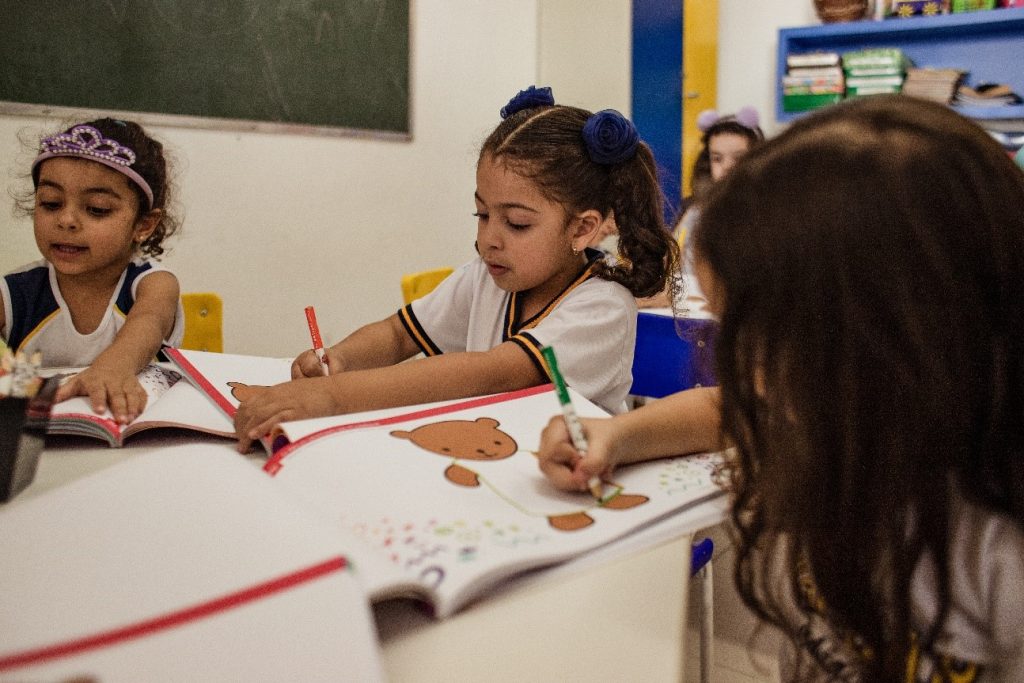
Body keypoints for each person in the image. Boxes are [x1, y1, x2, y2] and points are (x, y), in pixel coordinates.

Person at [538, 95, 1024, 681]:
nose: (743, 378)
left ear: (897, 343)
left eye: (758, 342)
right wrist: (617, 434)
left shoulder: (997, 547)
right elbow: (732, 410)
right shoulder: (839, 415)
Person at [233, 86, 679, 451]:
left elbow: (491, 372)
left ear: (583, 229)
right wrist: (341, 361)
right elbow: (398, 333)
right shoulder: (487, 277)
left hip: (569, 489)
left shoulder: (603, 306)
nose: (490, 238)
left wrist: (332, 397)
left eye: (517, 223)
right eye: (482, 215)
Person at [2, 118, 183, 423]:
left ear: (143, 225)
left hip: (134, 437)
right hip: (41, 446)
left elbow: (149, 322)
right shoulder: (14, 292)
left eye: (97, 209)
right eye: (51, 203)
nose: (67, 220)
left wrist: (114, 367)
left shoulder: (154, 285)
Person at [638, 106, 764, 311]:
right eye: (717, 158)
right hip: (685, 308)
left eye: (738, 158)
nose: (727, 166)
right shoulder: (693, 209)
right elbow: (670, 260)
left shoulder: (764, 214)